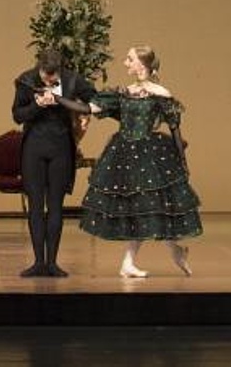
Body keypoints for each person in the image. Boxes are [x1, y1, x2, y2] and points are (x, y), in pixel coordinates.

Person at [76, 46, 202, 278]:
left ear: (142, 64)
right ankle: (169, 252)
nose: (126, 63)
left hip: (149, 154)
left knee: (149, 207)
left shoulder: (160, 93)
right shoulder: (125, 92)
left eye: (130, 59)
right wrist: (58, 98)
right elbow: (88, 107)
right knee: (141, 208)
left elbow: (174, 128)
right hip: (124, 154)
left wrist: (182, 161)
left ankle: (142, 259)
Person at [12, 47, 97, 278]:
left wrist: (80, 112)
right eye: (47, 76)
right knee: (36, 205)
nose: (51, 79)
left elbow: (94, 98)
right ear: (39, 69)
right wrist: (37, 105)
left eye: (54, 76)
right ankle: (38, 262)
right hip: (34, 147)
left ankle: (53, 263)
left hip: (61, 146)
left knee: (56, 205)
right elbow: (17, 115)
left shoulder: (72, 80)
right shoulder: (26, 80)